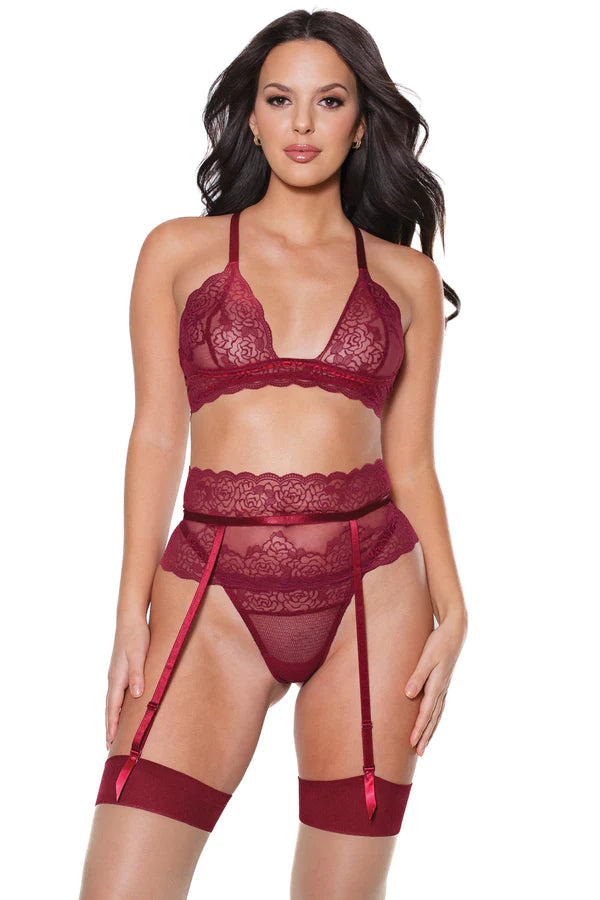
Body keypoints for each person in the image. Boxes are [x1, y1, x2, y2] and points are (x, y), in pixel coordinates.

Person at [79, 9, 468, 899]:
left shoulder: (403, 277)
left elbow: (412, 462)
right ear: (250, 117)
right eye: (279, 99)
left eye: (329, 101)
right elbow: (155, 435)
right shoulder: (177, 251)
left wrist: (455, 611)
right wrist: (129, 614)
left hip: (375, 597)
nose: (302, 124)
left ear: (360, 123)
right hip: (208, 592)